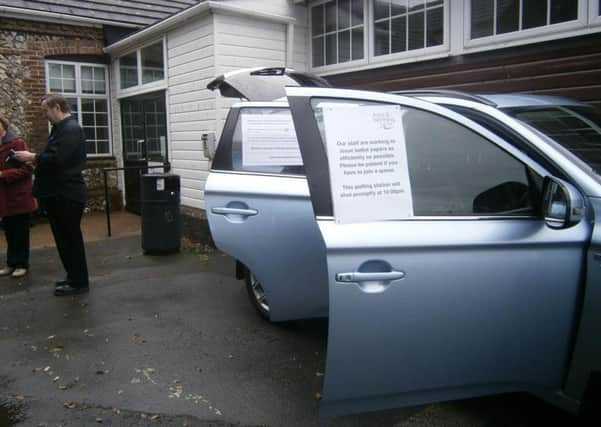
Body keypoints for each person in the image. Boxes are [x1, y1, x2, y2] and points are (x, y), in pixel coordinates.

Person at [14, 94, 89, 296]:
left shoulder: (70, 129)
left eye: (46, 110)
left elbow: (58, 159)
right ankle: (73, 276)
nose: (45, 115)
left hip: (66, 195)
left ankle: (79, 282)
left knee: (70, 239)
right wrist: (36, 161)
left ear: (56, 107)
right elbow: (54, 159)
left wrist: (33, 157)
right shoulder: (62, 129)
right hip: (59, 194)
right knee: (64, 240)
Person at [0, 114, 37, 278]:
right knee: (9, 231)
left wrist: (3, 174)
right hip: (4, 198)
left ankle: (22, 264)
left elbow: (28, 169)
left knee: (20, 231)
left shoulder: (17, 143)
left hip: (19, 196)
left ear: (3, 125)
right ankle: (11, 263)